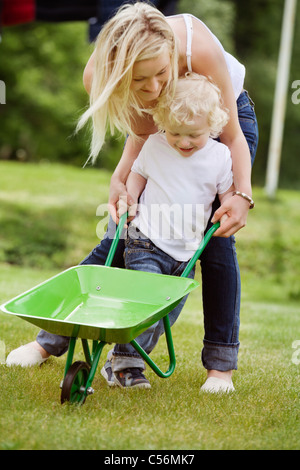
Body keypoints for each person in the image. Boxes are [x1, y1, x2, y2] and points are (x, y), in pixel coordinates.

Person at [7, 3, 258, 393]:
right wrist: (121, 179)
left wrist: (241, 194)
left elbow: (233, 137)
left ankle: (220, 367)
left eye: (163, 74)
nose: (156, 90)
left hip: (221, 129)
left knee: (214, 242)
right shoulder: (98, 76)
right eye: (141, 81)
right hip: (162, 137)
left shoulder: (197, 45)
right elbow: (143, 135)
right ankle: (50, 342)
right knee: (121, 236)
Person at [103, 72, 234, 390]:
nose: (184, 142)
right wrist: (129, 198)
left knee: (165, 315)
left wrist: (231, 205)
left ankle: (122, 359)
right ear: (162, 122)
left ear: (213, 126)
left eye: (194, 135)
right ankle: (126, 365)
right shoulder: (155, 145)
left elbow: (226, 192)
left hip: (186, 253)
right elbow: (137, 174)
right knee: (146, 303)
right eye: (175, 133)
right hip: (146, 242)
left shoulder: (219, 156)